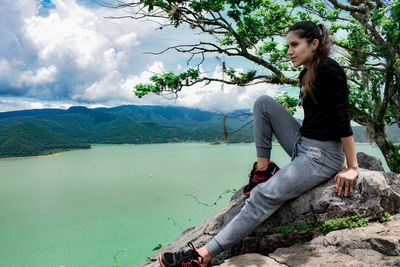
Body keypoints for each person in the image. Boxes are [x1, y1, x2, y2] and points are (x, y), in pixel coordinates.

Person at [158, 21, 359, 267]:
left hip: (322, 156)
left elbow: (342, 120)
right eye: (288, 46)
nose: (289, 52)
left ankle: (203, 255)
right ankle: (262, 171)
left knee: (262, 196)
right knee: (263, 102)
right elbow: (316, 119)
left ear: (314, 44)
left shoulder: (329, 69)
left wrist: (352, 167)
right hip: (303, 144)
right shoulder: (306, 73)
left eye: (295, 45)